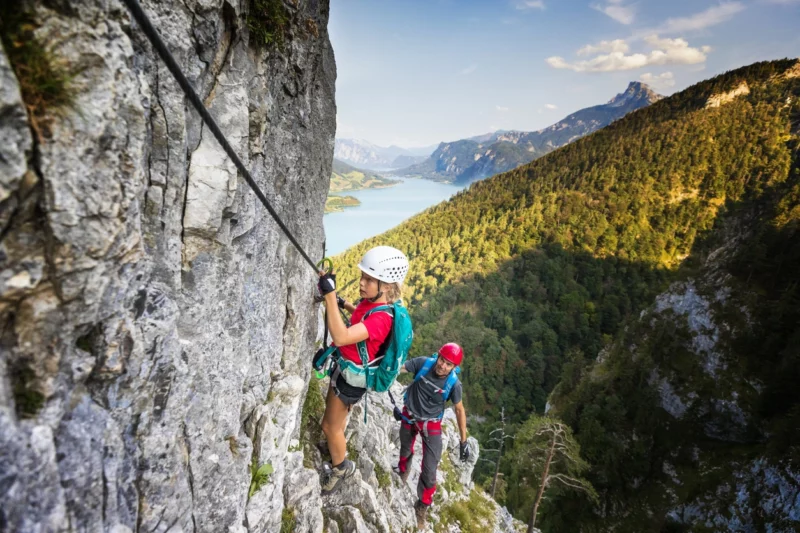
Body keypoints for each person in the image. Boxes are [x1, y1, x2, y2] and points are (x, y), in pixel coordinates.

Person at [316, 245, 409, 494]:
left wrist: (329, 296)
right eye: (363, 276)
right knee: (333, 418)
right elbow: (359, 317)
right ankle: (336, 446)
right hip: (348, 371)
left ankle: (341, 467)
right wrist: (341, 302)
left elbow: (341, 335)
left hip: (351, 379)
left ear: (387, 286)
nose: (362, 282)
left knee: (330, 427)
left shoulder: (381, 319)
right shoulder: (373, 304)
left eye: (370, 279)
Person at [395, 343, 470, 528]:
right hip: (410, 414)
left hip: (431, 423)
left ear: (454, 367)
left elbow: (459, 411)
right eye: (442, 360)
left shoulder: (454, 384)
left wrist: (463, 441)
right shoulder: (423, 364)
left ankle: (422, 505)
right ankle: (403, 472)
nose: (443, 366)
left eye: (449, 364)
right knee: (405, 447)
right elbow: (399, 368)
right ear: (438, 356)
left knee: (430, 469)